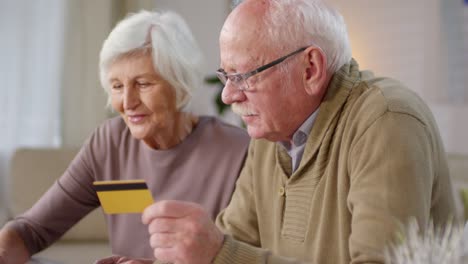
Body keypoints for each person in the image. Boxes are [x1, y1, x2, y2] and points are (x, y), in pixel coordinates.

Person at [139, 0, 457, 263]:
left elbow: (227, 252)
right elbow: (233, 240)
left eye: (244, 75)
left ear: (310, 69)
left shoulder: (387, 121)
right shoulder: (271, 132)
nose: (228, 95)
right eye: (227, 76)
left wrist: (220, 253)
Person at [0, 10, 249, 263]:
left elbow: (246, 256)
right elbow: (31, 231)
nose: (127, 103)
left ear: (179, 85)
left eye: (143, 84)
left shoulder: (238, 152)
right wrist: (6, 244)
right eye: (117, 86)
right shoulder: (108, 144)